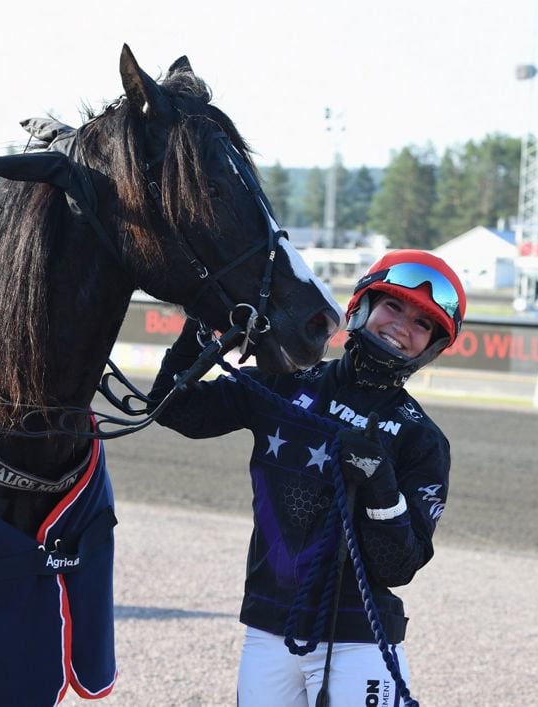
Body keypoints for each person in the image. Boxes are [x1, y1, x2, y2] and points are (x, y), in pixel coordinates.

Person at [150, 249, 467, 707]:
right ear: (361, 306)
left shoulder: (423, 440)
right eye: (393, 306)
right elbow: (172, 408)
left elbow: (398, 568)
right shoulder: (284, 382)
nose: (402, 326)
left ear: (432, 347)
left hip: (360, 643)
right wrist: (202, 324)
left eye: (421, 323)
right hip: (266, 632)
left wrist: (379, 483)